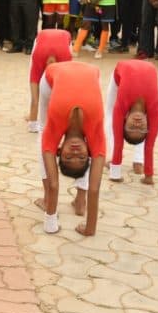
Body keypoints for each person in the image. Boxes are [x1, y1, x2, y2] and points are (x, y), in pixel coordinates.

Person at [35, 62, 106, 236]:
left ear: (59, 151)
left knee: (43, 134)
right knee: (43, 135)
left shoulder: (54, 127)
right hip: (88, 70)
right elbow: (95, 188)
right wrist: (90, 229)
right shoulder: (96, 133)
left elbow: (54, 183)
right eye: (82, 158)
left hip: (53, 76)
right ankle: (76, 200)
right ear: (89, 152)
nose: (75, 153)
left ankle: (63, 201)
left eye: (68, 158)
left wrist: (50, 224)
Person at [105, 60, 158, 186]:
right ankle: (138, 160)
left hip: (118, 74)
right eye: (141, 128)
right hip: (147, 66)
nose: (137, 124)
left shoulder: (121, 106)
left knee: (110, 112)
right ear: (148, 125)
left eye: (131, 127)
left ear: (125, 120)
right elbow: (150, 144)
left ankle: (134, 160)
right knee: (111, 114)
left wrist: (115, 173)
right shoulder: (154, 109)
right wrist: (149, 175)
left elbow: (120, 141)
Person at [26, 29, 72, 133]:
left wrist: (33, 126)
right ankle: (32, 115)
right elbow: (35, 99)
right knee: (34, 76)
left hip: (62, 39)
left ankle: (34, 116)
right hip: (43, 41)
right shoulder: (38, 58)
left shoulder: (65, 58)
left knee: (64, 86)